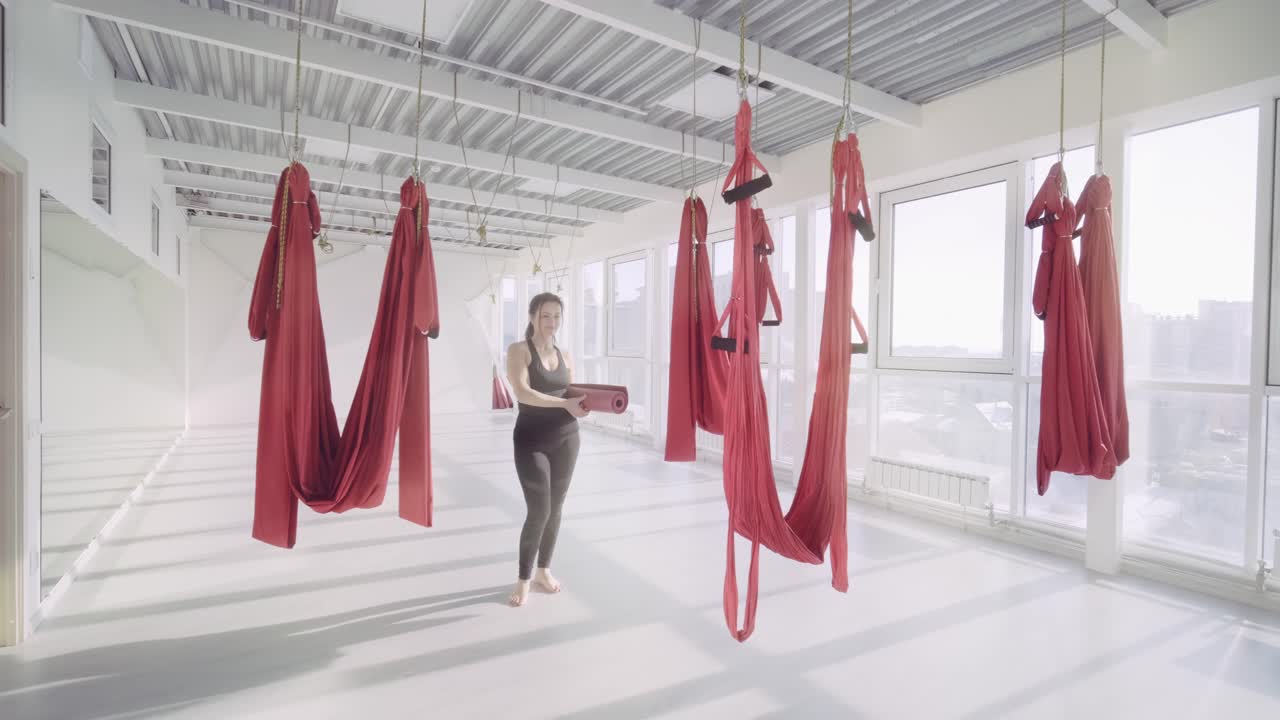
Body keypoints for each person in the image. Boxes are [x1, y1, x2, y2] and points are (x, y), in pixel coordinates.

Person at [505, 292, 588, 607]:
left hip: (567, 437)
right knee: (539, 509)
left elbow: (573, 392)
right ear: (532, 317)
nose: (552, 322)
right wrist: (566, 402)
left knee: (556, 508)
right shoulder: (518, 351)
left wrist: (590, 401)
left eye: (556, 316)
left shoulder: (566, 355)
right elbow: (523, 393)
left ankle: (544, 571)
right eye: (545, 316)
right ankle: (524, 578)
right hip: (531, 439)